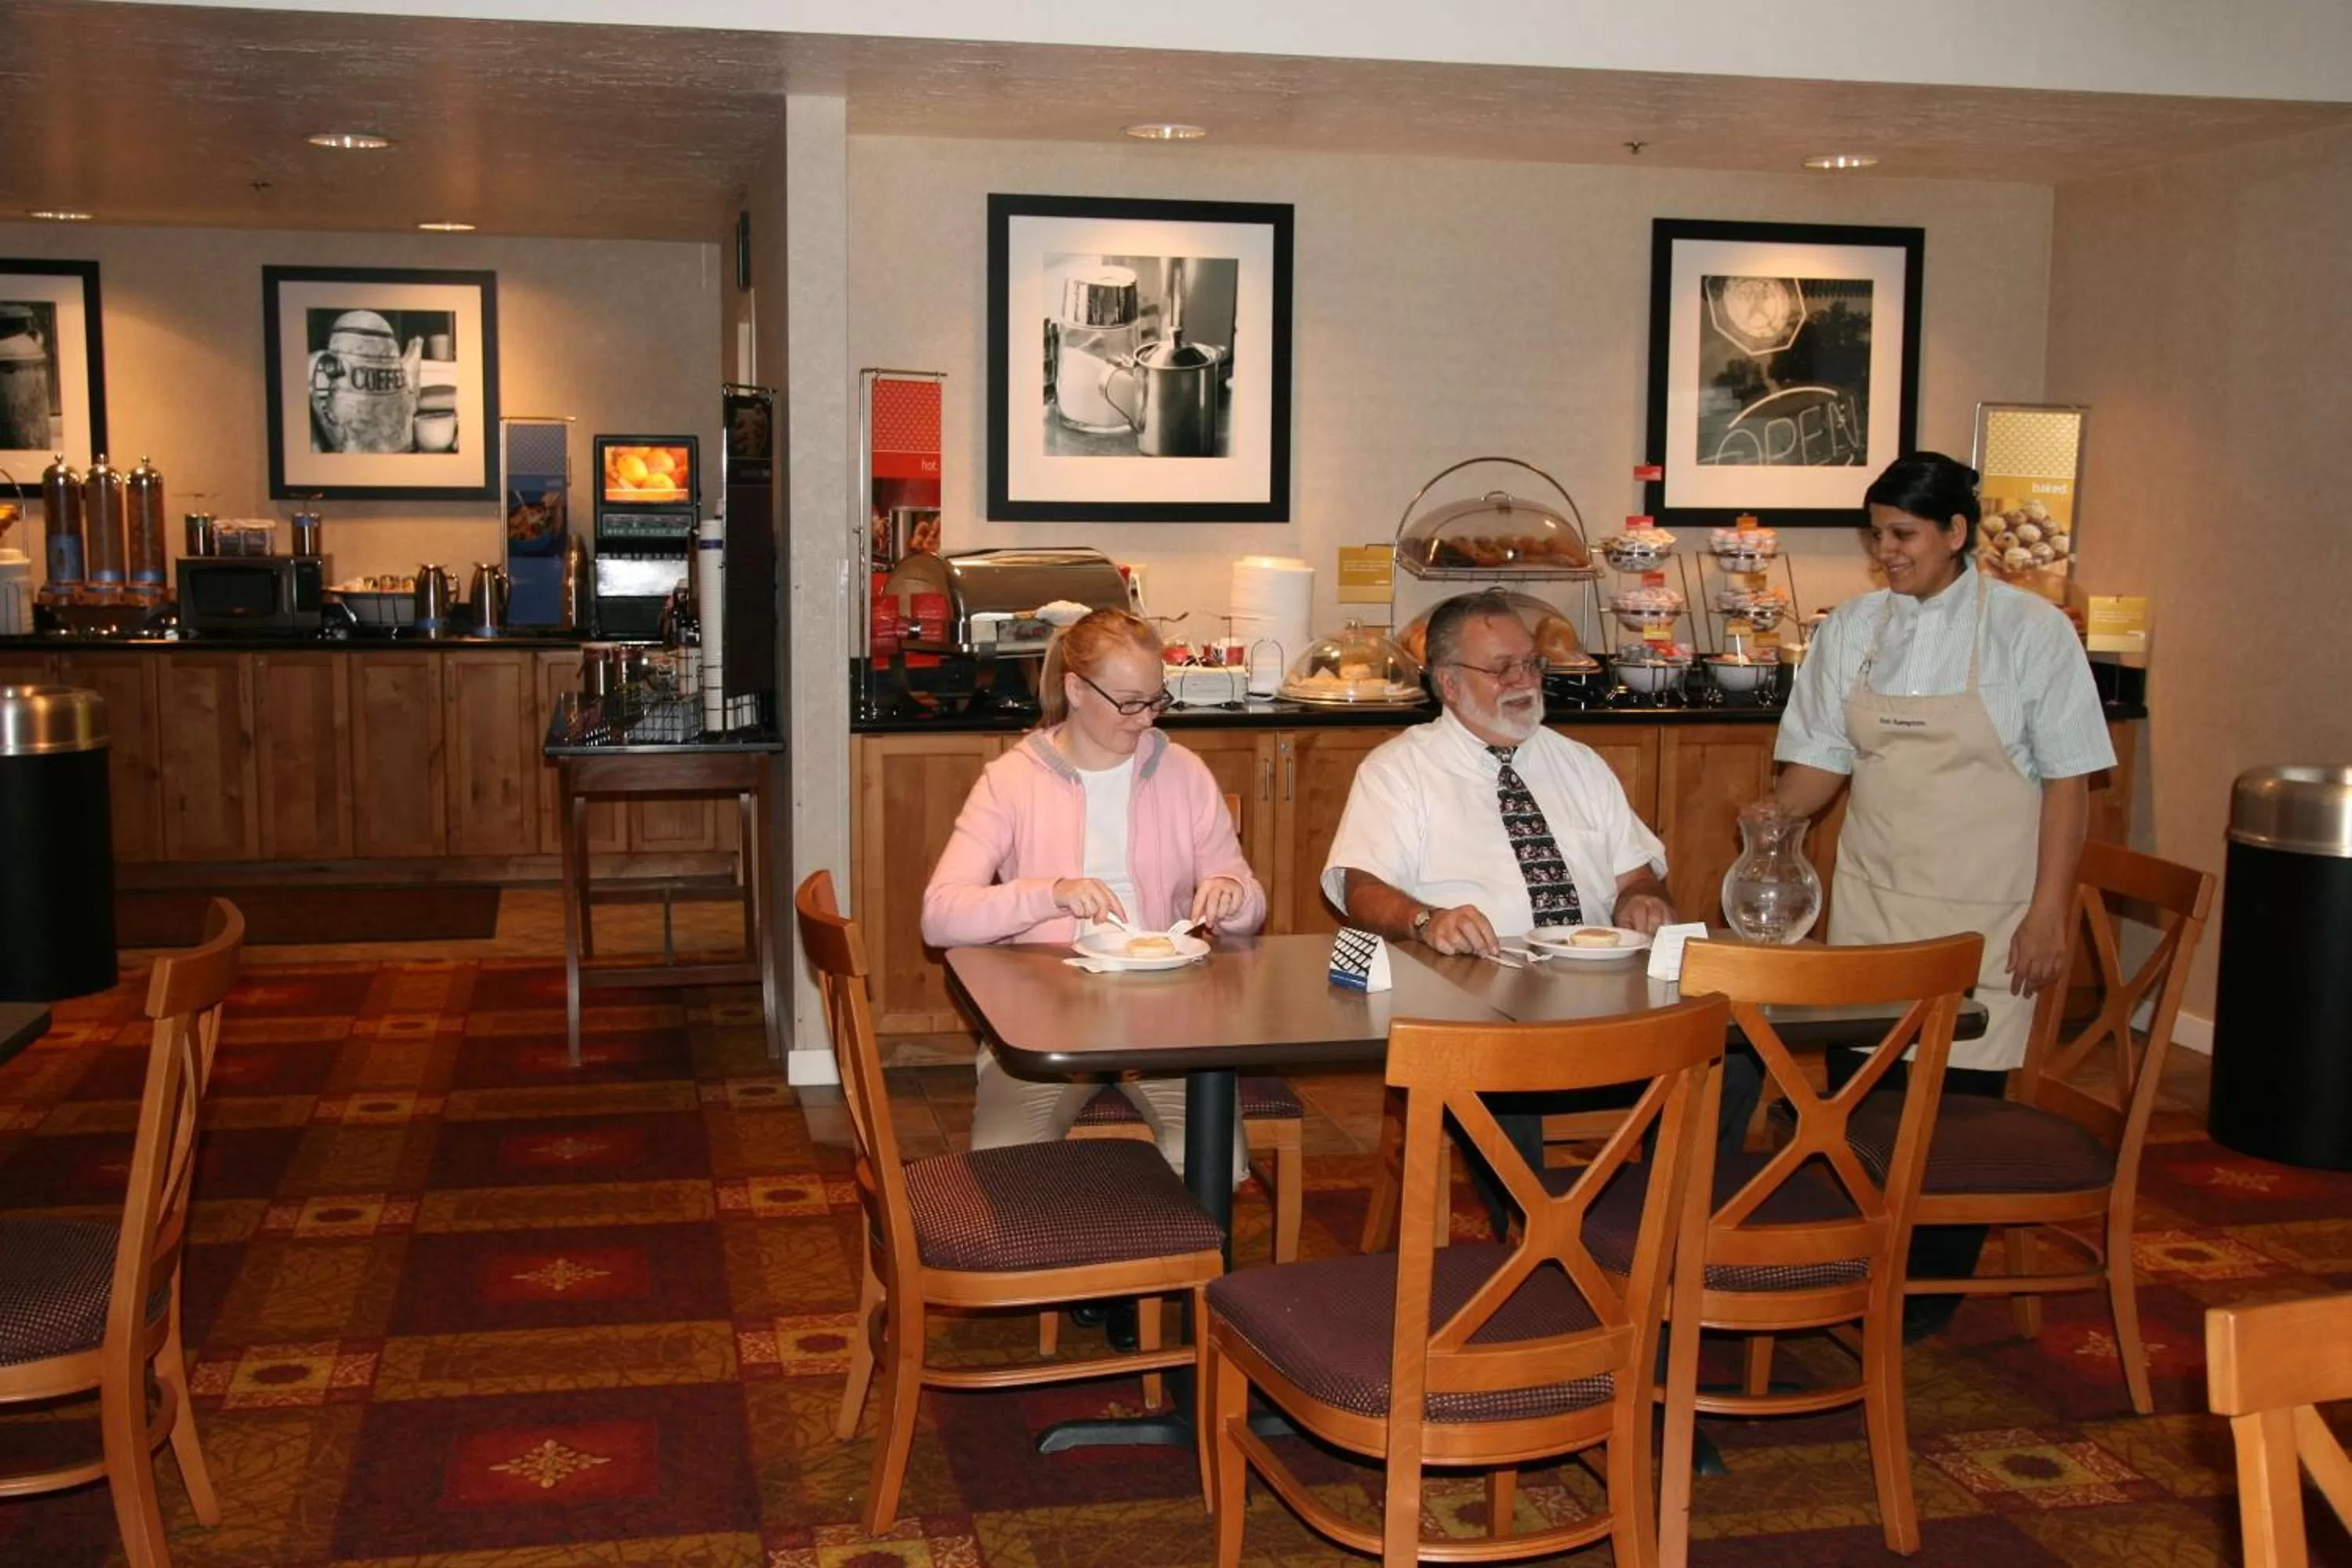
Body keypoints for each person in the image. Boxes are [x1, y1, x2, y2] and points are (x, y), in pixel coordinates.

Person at [1764, 450, 2115, 1341]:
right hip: (1875, 904)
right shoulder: (1855, 627)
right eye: (1877, 534)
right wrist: (1770, 821)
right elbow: (1819, 760)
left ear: (1957, 534)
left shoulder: (2033, 632)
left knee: (1951, 1122)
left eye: (1903, 534)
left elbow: (2069, 781)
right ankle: (1862, 1266)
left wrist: (2048, 912)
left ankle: (1920, 1301)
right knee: (1860, 1100)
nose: (1886, 551)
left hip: (1988, 913)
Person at [1323, 589, 1755, 1239]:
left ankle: (1673, 1229)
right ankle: (1538, 1245)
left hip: (1603, 994)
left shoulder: (1578, 764)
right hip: (1478, 996)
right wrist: (1424, 919)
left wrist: (1643, 896)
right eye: (1501, 669)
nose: (1523, 681)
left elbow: (1636, 871)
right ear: (1448, 683)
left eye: (1530, 664)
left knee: (1736, 1050)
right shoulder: (1400, 770)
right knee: (1498, 1068)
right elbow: (1359, 886)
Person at [922, 607, 1265, 1185]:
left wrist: (1231, 895)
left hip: (1168, 1022)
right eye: (1128, 702)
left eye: (1156, 700)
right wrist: (1049, 895)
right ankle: (1081, 1262)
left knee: (1218, 1163)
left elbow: (1250, 905)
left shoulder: (1184, 773)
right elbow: (940, 916)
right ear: (1075, 690)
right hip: (1040, 1025)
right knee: (1006, 1165)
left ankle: (1163, 1263)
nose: (1144, 720)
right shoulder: (1012, 780)